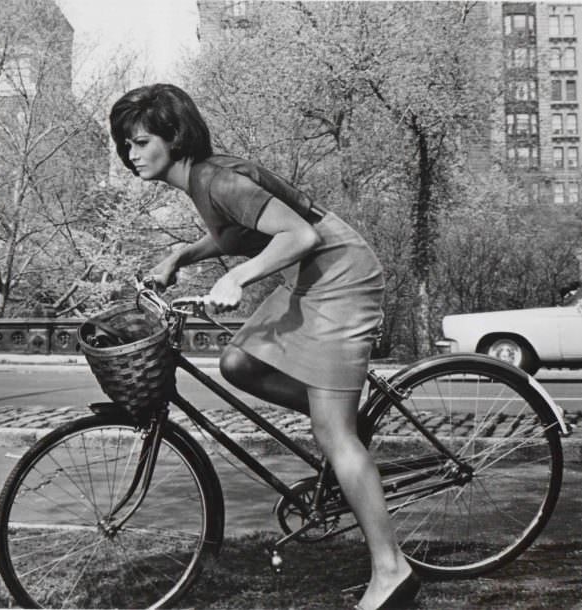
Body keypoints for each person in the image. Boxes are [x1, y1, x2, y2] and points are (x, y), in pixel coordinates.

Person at [109, 83, 420, 610]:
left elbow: (300, 235)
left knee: (332, 433)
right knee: (238, 363)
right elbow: (236, 234)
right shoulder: (201, 182)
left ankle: (392, 571)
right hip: (313, 278)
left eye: (140, 142)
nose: (131, 154)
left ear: (174, 137)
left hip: (342, 275)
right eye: (126, 145)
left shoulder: (216, 179)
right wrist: (180, 257)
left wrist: (239, 280)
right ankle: (342, 418)